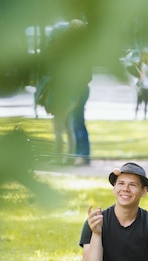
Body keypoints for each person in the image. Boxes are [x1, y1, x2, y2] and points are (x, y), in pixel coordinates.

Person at [41, 19, 92, 166]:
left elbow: (86, 75)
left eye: (71, 28)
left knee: (76, 123)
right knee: (71, 123)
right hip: (73, 89)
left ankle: (81, 155)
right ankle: (74, 155)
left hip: (78, 90)